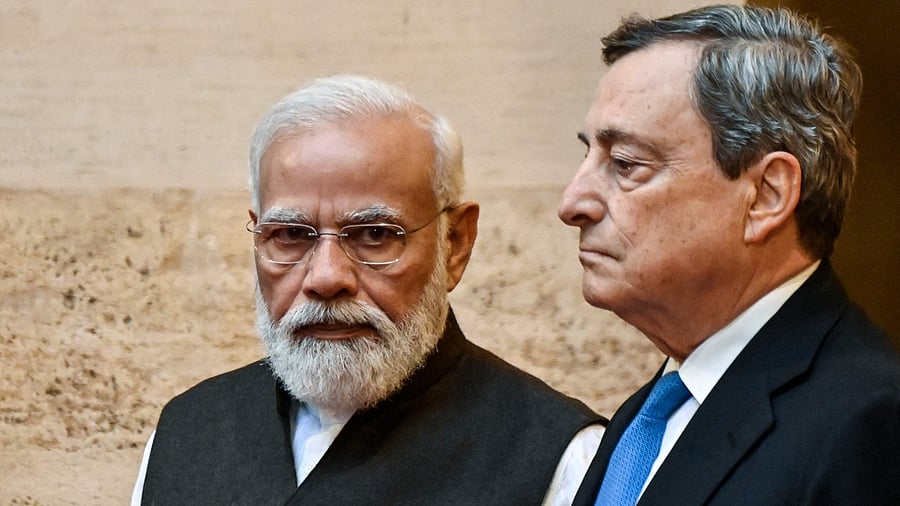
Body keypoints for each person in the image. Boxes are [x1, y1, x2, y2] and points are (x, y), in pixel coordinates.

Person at [131, 75, 605, 505]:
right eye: (291, 235)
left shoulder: (559, 458)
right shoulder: (188, 433)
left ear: (455, 244)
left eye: (375, 235)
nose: (325, 278)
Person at [558, 5, 900, 505]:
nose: (572, 203)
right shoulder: (662, 403)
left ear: (766, 196)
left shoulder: (868, 424)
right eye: (587, 156)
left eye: (626, 163)